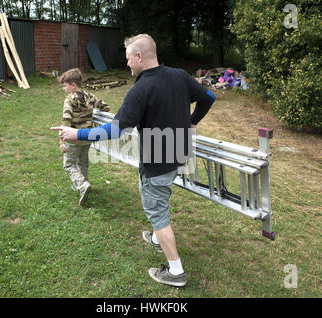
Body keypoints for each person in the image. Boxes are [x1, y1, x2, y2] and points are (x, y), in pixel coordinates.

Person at [52, 34, 215, 286]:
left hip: (157, 161)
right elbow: (209, 98)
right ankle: (157, 237)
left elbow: (115, 130)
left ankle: (175, 271)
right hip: (178, 154)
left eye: (128, 59)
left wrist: (77, 133)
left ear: (139, 57)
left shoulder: (140, 89)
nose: (127, 64)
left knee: (157, 210)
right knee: (157, 198)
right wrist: (193, 121)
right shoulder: (180, 76)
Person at [57, 68, 110, 206]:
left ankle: (82, 185)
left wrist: (61, 141)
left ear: (73, 85)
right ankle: (83, 183)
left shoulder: (69, 99)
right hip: (87, 137)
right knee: (82, 162)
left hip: (73, 137)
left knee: (68, 164)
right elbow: (105, 106)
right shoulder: (90, 96)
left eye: (64, 85)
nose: (63, 89)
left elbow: (66, 120)